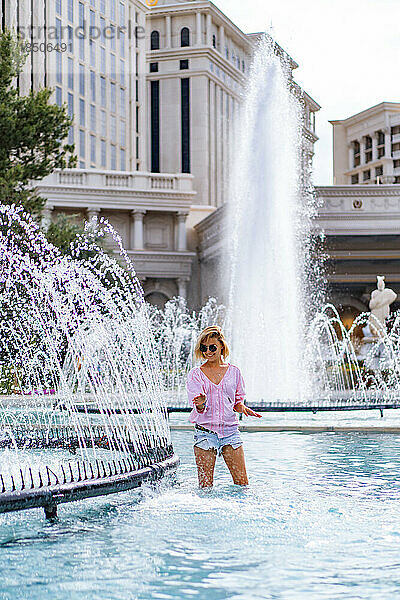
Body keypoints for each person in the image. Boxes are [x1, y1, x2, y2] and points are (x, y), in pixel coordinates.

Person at [186, 325, 261, 488]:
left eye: (212, 347)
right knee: (205, 488)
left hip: (231, 433)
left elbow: (236, 402)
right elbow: (198, 406)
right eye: (203, 348)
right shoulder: (195, 374)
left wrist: (241, 407)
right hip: (205, 434)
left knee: (243, 485)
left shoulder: (234, 372)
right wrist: (201, 403)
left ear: (221, 346)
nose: (208, 351)